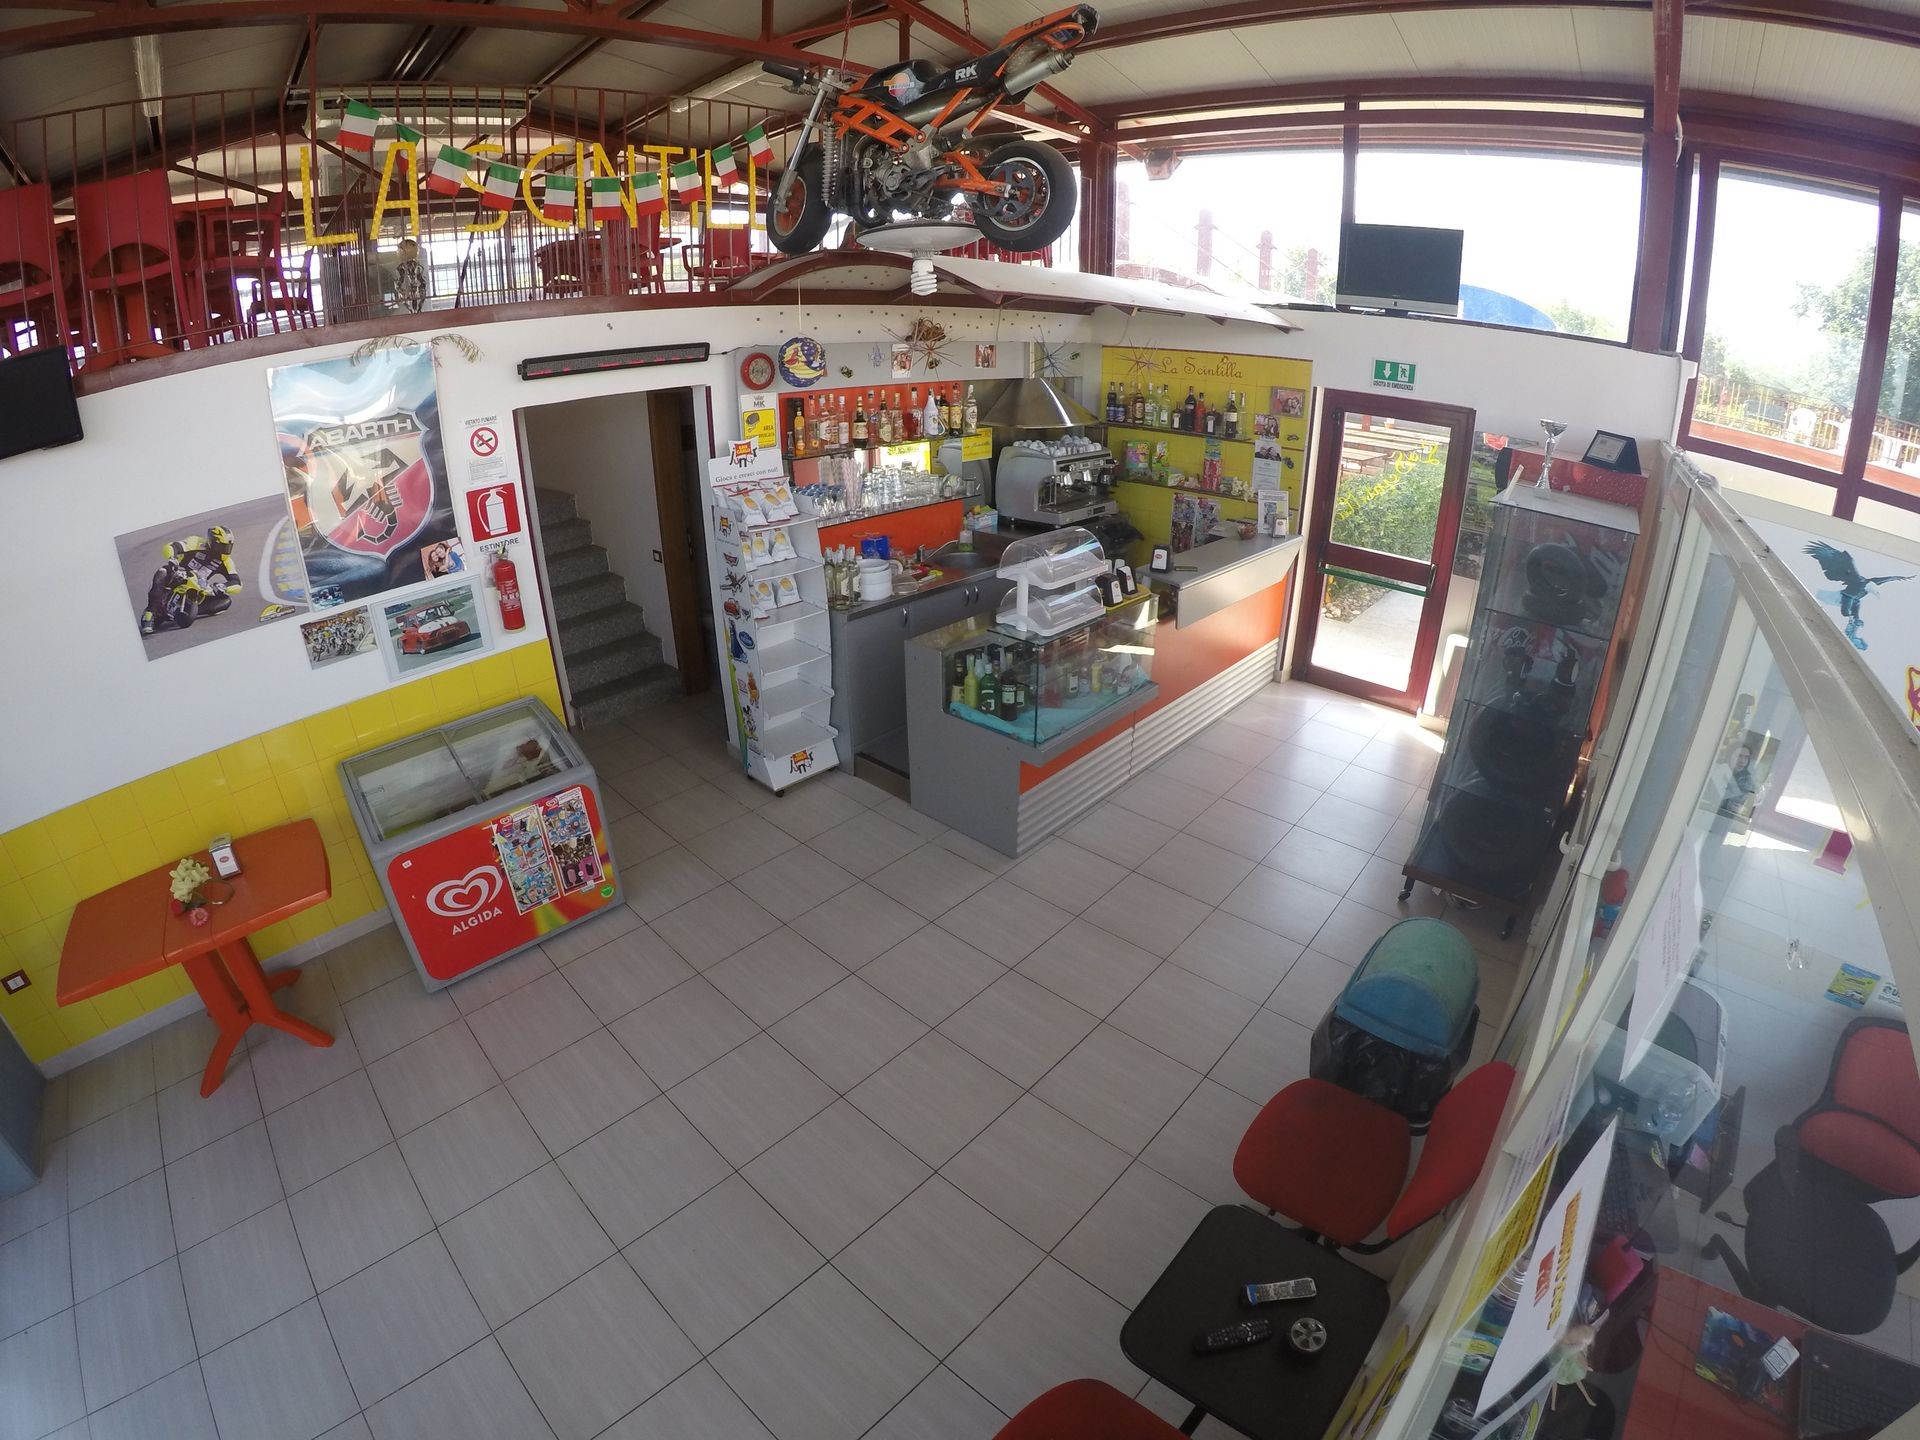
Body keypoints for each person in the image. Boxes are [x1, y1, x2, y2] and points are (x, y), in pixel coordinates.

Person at [394, 237, 427, 313]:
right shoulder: (401, 268)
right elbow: (399, 282)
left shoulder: (418, 266)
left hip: (414, 288)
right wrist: (402, 291)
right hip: (409, 290)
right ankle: (413, 310)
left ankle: (415, 310)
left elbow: (421, 280)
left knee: (418, 295)